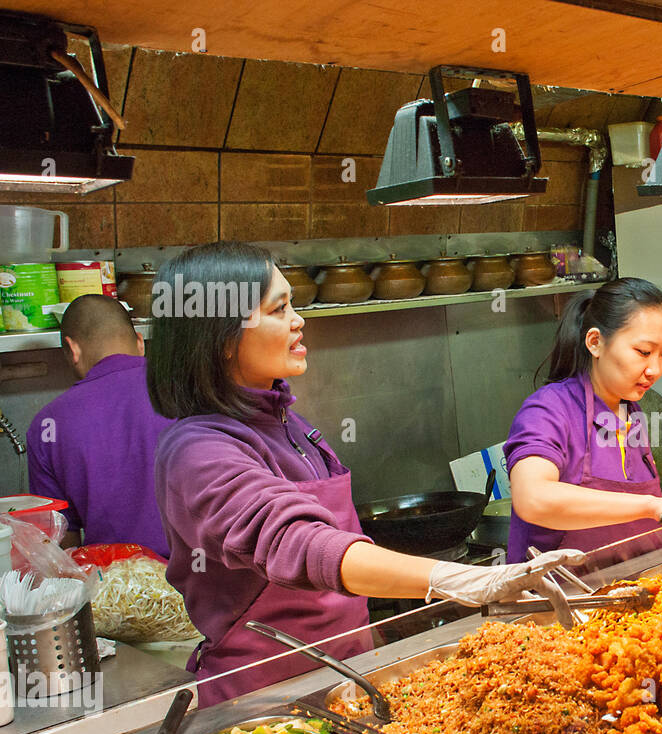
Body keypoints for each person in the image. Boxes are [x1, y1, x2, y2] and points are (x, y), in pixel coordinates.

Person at [147, 241, 581, 706]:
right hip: (265, 702)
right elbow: (299, 542)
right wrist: (458, 579)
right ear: (223, 337)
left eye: (292, 304)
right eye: (278, 309)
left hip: (346, 676)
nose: (298, 321)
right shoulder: (197, 451)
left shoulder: (289, 422)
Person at [506, 277, 662, 565]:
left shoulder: (631, 410)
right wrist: (652, 505)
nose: (655, 369)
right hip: (568, 597)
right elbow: (533, 498)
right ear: (595, 342)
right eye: (643, 352)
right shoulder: (548, 409)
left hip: (640, 587)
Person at [26, 293, 173, 556]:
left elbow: (60, 542)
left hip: (113, 589)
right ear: (140, 342)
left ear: (73, 350)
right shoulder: (193, 389)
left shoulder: (47, 425)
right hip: (209, 583)